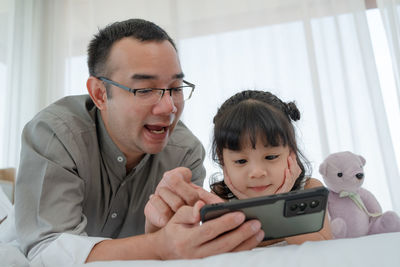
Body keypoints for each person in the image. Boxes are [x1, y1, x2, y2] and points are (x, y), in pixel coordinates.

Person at [14, 19, 264, 265]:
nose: (169, 108)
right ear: (100, 94)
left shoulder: (186, 154)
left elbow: (180, 244)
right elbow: (46, 249)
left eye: (176, 88)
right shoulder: (56, 135)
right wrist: (159, 246)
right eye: (144, 90)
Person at [210, 90, 332, 245]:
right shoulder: (219, 200)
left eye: (271, 157)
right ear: (223, 161)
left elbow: (323, 247)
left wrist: (279, 204)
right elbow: (222, 250)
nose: (257, 172)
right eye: (241, 161)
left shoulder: (309, 190)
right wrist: (253, 208)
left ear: (291, 153)